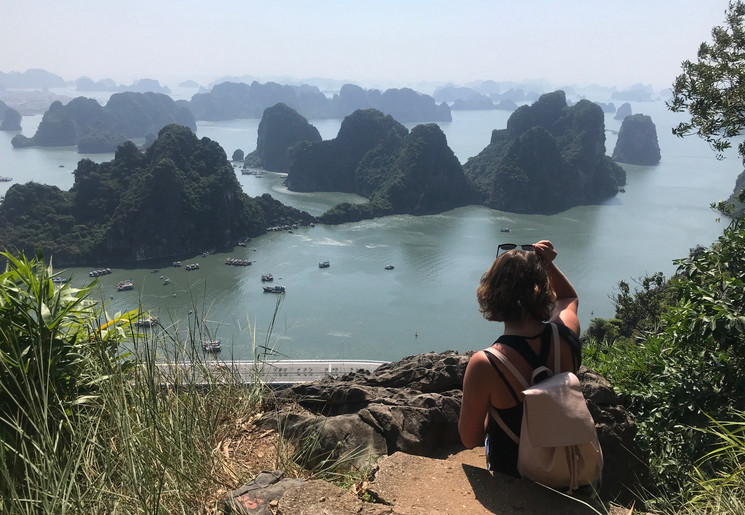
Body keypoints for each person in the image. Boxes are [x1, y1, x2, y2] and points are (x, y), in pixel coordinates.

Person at [458, 239, 581, 476]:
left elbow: (469, 438)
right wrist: (546, 265)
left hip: (514, 473)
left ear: (492, 292)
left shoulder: (486, 363)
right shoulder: (565, 336)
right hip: (568, 467)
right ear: (545, 290)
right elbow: (568, 299)